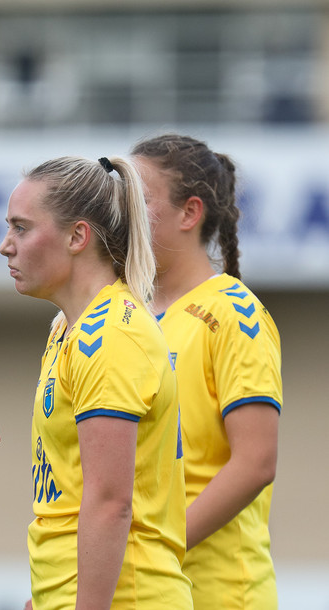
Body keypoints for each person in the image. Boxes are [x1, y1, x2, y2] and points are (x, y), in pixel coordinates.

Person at [0, 155, 192, 609]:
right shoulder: (69, 330)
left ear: (77, 236)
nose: (6, 246)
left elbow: (110, 504)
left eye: (21, 228)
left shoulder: (110, 335)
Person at [131, 134, 282, 609]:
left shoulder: (234, 311)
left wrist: (156, 553)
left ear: (189, 213)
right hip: (139, 591)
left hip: (219, 595)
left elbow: (256, 462)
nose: (122, 211)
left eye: (139, 198)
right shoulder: (124, 315)